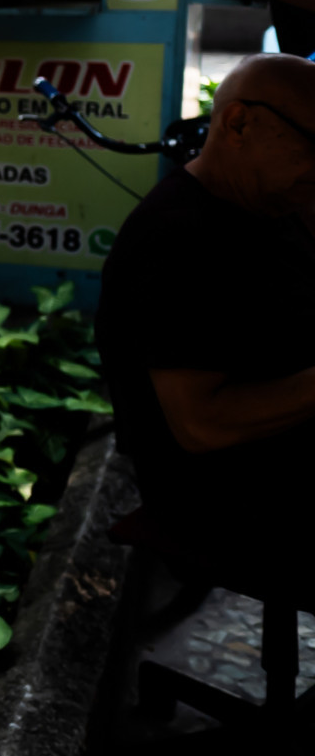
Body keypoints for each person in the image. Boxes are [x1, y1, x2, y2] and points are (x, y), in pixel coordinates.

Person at [96, 53, 315, 565]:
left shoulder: (275, 196)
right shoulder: (175, 238)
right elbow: (202, 424)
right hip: (232, 497)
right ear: (238, 123)